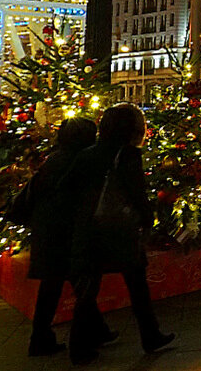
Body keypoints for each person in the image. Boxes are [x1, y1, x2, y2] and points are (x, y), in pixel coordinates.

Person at [63, 104, 174, 364]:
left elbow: (67, 187)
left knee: (88, 288)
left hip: (88, 230)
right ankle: (151, 336)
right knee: (137, 286)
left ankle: (79, 348)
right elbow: (136, 192)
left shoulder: (87, 154)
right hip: (118, 231)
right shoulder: (127, 155)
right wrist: (148, 219)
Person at [14, 118, 112, 356]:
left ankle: (46, 339)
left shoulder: (55, 160)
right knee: (79, 286)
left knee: (56, 288)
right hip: (64, 236)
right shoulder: (75, 162)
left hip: (48, 234)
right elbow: (76, 203)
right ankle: (82, 341)